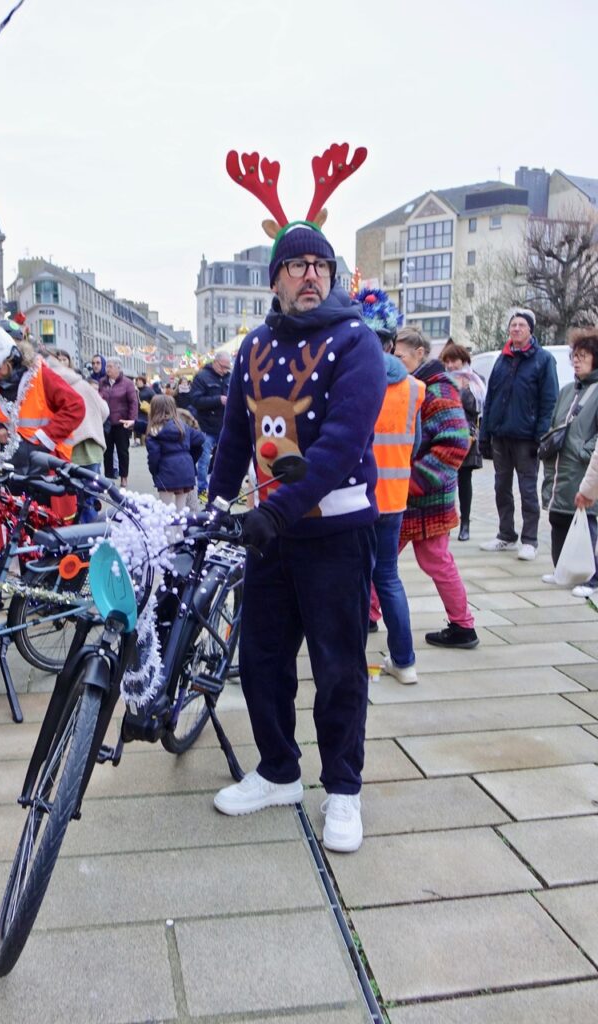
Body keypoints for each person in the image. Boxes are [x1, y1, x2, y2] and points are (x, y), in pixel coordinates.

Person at [208, 158, 386, 854]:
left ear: (332, 276)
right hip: (269, 536)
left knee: (340, 665)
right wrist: (213, 504)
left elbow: (342, 444)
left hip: (333, 533)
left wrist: (277, 511)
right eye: (295, 263)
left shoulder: (355, 343)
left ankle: (343, 788)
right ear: (276, 277)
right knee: (261, 659)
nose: (309, 273)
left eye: (320, 263)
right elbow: (232, 439)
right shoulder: (253, 347)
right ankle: (279, 769)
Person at [355, 289, 425, 685]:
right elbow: (414, 445)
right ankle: (405, 661)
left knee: (354, 578)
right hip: (395, 499)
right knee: (388, 577)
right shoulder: (415, 388)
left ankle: (350, 662)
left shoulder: (354, 379)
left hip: (357, 497)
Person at [394, 327, 478, 649]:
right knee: (381, 558)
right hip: (412, 497)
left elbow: (456, 443)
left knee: (434, 561)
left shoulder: (437, 390)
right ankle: (369, 614)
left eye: (400, 355)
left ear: (419, 354)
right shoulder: (417, 386)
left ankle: (463, 626)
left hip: (424, 499)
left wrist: (414, 480)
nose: (394, 361)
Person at [478, 310, 558, 560]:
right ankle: (506, 534)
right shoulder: (502, 359)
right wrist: (485, 433)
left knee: (527, 489)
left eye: (521, 325)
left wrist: (540, 436)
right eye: (513, 324)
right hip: (501, 434)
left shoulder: (543, 360)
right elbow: (489, 398)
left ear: (530, 330)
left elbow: (549, 401)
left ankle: (530, 540)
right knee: (501, 486)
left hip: (526, 437)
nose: (516, 329)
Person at [0, 322, 85, 474]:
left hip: (45, 462)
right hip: (7, 464)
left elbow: (75, 406)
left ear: (10, 358)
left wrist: (43, 437)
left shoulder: (41, 375)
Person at [541, 328, 598, 597]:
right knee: (558, 518)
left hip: (585, 469)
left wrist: (585, 451)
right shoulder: (566, 391)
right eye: (574, 356)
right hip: (560, 468)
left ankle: (592, 578)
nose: (576, 361)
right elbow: (555, 425)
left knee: (587, 523)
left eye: (583, 356)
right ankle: (562, 569)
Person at [45, 347, 109, 522]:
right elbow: (104, 410)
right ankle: (91, 538)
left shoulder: (49, 386)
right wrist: (92, 425)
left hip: (68, 449)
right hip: (93, 446)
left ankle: (75, 537)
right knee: (89, 496)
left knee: (70, 498)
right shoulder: (83, 384)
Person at [440, 340, 486, 541]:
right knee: (446, 481)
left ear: (464, 360)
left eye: (454, 361)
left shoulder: (475, 380)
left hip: (466, 435)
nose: (451, 366)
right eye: (447, 361)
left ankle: (465, 523)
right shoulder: (442, 379)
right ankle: (447, 522)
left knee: (464, 480)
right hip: (445, 434)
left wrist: (463, 389)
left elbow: (476, 408)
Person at [146, 394, 204, 509]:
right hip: (186, 470)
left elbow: (153, 456)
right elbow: (200, 439)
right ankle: (180, 527)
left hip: (166, 472)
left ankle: (168, 528)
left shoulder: (153, 432)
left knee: (164, 509)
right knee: (181, 510)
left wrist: (154, 472)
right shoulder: (183, 427)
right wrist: (190, 458)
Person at [189, 349, 231, 502]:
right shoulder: (201, 377)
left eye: (227, 368)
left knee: (226, 459)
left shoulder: (229, 377)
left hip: (225, 425)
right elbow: (195, 400)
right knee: (204, 460)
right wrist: (218, 400)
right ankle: (202, 488)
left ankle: (225, 489)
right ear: (215, 362)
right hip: (206, 425)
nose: (225, 370)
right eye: (222, 367)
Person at [98, 358, 138, 487]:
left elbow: (133, 402)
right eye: (107, 367)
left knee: (122, 451)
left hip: (122, 422)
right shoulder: (102, 382)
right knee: (107, 451)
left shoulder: (127, 383)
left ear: (118, 368)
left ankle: (123, 477)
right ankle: (109, 477)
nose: (107, 369)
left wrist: (132, 420)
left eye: (110, 367)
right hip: (107, 422)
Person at [133, 374, 155, 446]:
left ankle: (140, 440)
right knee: (136, 421)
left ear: (143, 382)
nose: (138, 382)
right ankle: (137, 440)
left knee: (140, 421)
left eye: (140, 381)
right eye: (137, 381)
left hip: (146, 412)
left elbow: (155, 398)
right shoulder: (135, 390)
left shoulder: (149, 390)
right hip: (137, 410)